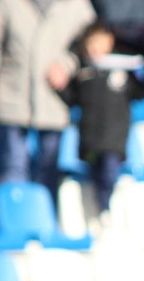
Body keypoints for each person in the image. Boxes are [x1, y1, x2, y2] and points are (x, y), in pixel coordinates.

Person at [69, 22, 144, 220]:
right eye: (92, 42)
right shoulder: (83, 72)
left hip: (114, 138)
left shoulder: (123, 70)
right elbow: (70, 97)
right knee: (94, 173)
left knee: (109, 171)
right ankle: (97, 212)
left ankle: (105, 210)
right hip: (90, 138)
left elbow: (140, 91)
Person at [0, 0, 97, 189]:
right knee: (13, 169)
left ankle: (41, 217)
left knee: (48, 173)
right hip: (11, 100)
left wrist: (67, 64)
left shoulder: (78, 6)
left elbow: (90, 45)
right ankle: (13, 217)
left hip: (55, 101)